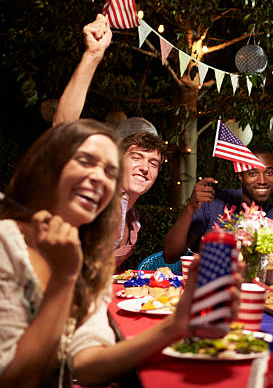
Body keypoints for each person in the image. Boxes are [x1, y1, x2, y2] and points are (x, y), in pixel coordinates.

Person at [0, 120, 233, 387]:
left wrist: (177, 324)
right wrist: (64, 277)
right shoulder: (8, 242)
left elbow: (87, 365)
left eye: (110, 171)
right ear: (50, 168)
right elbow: (13, 378)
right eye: (86, 161)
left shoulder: (92, 260)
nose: (100, 177)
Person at [53, 14, 166, 268]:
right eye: (136, 156)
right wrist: (93, 56)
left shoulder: (132, 217)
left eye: (153, 162)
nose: (145, 167)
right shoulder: (95, 194)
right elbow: (63, 127)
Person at [164, 147, 273, 263]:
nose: (262, 181)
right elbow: (170, 255)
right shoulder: (213, 204)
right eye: (253, 174)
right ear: (240, 176)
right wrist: (190, 207)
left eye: (269, 173)